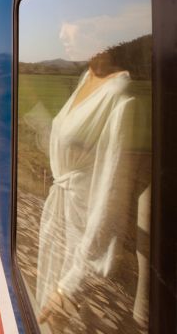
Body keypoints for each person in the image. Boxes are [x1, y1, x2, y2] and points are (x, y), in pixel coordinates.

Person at [35, 37, 151, 332]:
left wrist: (70, 287)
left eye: (73, 29)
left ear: (103, 33)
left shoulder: (122, 97)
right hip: (60, 222)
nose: (61, 36)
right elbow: (76, 150)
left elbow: (109, 196)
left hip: (82, 233)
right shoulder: (87, 77)